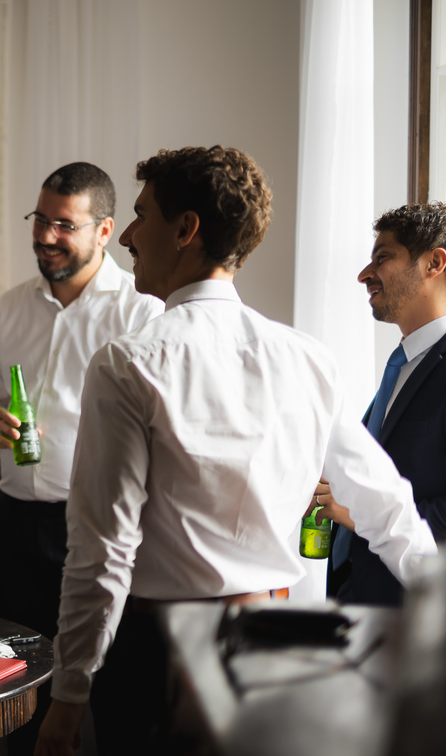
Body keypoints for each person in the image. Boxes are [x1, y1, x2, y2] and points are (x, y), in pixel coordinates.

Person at [34, 146, 437, 756]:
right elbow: (389, 510)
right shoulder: (305, 358)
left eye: (142, 216)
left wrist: (67, 697)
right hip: (275, 650)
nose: (130, 238)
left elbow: (102, 551)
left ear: (186, 229)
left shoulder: (128, 364)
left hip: (160, 664)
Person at [0, 161, 161, 642]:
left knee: (101, 669)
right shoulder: (10, 307)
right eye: (40, 220)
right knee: (11, 667)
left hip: (99, 525)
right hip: (12, 521)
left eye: (65, 225)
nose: (46, 236)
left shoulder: (142, 311)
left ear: (105, 231)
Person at [315, 203, 446, 605]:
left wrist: (362, 513)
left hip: (412, 612)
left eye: (382, 257)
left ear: (434, 263)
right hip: (355, 599)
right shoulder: (402, 368)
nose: (364, 274)